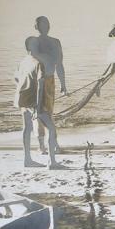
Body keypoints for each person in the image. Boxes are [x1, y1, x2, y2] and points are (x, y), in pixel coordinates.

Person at [14, 37, 63, 169]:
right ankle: (51, 162)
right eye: (37, 44)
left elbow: (16, 78)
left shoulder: (23, 61)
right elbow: (41, 86)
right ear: (33, 47)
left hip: (22, 99)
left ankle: (27, 160)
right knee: (51, 129)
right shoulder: (39, 63)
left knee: (27, 128)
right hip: (33, 102)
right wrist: (38, 107)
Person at [31, 16, 67, 155]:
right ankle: (54, 144)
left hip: (38, 80)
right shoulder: (55, 42)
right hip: (49, 79)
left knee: (38, 113)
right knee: (47, 113)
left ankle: (43, 146)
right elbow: (59, 64)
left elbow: (31, 63)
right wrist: (63, 84)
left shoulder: (34, 42)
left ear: (36, 27)